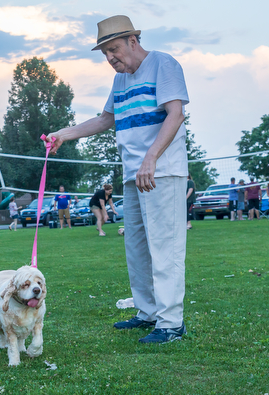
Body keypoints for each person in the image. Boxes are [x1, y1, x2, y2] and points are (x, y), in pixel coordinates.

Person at [45, 15, 189, 343]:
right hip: (132, 175)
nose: (111, 58)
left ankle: (171, 323)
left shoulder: (163, 65)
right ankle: (147, 312)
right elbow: (105, 119)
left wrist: (151, 158)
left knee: (164, 246)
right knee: (136, 247)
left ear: (133, 41)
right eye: (105, 53)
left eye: (114, 49)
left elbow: (176, 114)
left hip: (161, 172)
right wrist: (63, 135)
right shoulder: (120, 80)